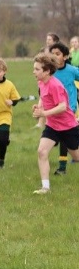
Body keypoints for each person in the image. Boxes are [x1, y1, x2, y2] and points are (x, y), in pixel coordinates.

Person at [32, 52, 79, 194]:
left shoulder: (55, 85)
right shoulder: (41, 82)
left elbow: (63, 106)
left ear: (47, 71)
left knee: (77, 157)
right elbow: (42, 96)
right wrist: (39, 106)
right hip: (52, 126)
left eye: (37, 69)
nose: (34, 72)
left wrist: (44, 114)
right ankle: (45, 187)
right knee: (42, 151)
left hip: (68, 126)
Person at [46, 41, 79, 175]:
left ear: (65, 57)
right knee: (62, 138)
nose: (54, 56)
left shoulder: (71, 70)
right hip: (53, 110)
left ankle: (62, 167)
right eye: (52, 54)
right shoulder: (49, 72)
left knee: (64, 136)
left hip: (69, 108)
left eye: (58, 54)